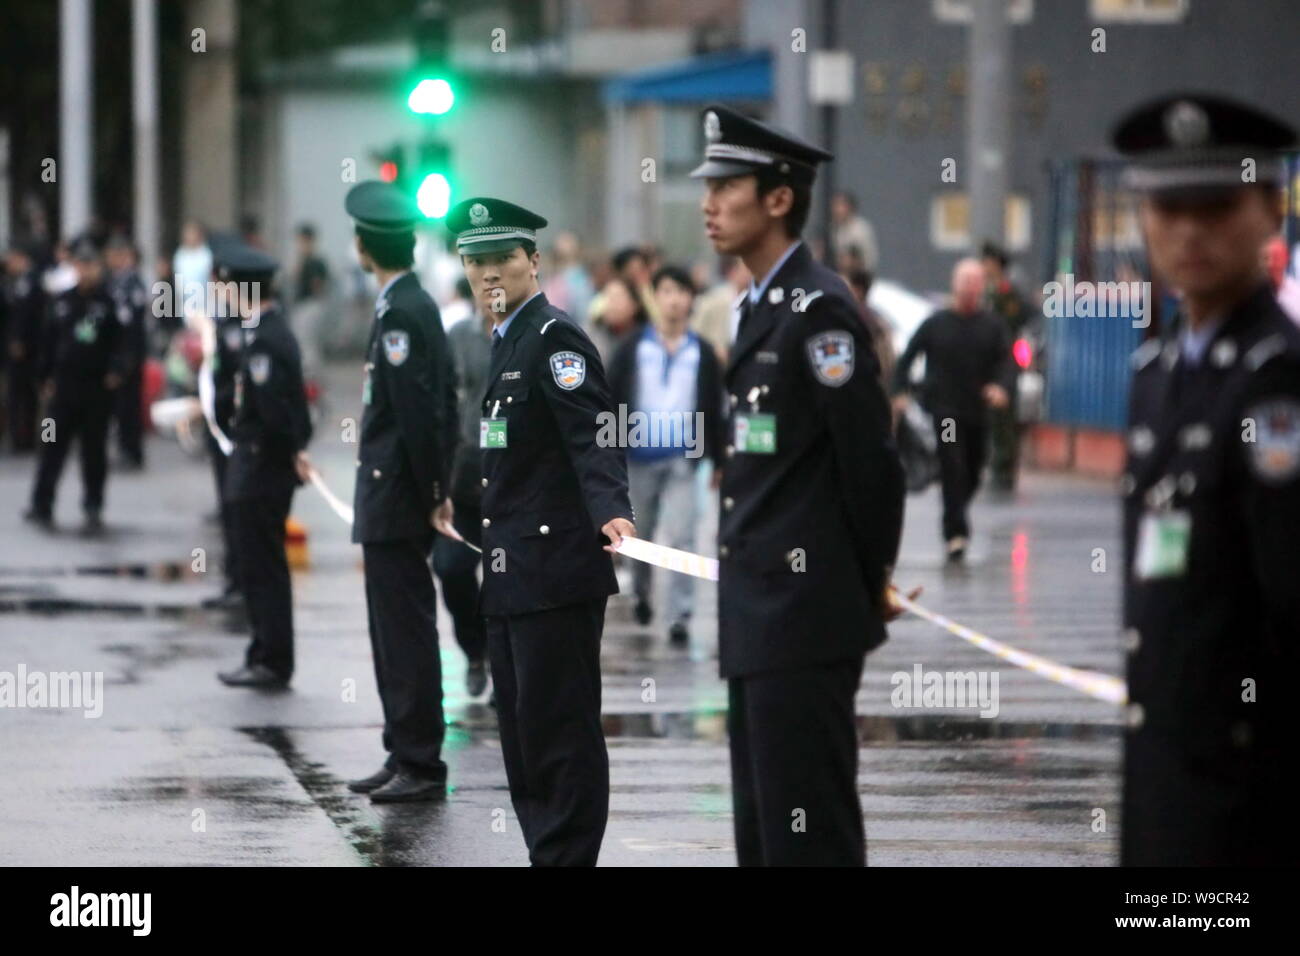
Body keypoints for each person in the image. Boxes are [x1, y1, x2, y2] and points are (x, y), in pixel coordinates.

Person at [692, 104, 905, 866]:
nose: (708, 204)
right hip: (760, 615)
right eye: (706, 186)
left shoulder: (818, 311)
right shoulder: (763, 307)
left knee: (806, 832)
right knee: (765, 832)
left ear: (779, 198)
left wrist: (868, 577)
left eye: (727, 185)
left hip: (803, 617)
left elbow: (871, 461)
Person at [1112, 94, 1300, 866]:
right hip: (1165, 762)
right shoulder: (1157, 370)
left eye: (1217, 207)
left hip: (1246, 782)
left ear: (1271, 211)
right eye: (1168, 207)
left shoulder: (1275, 379)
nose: (1189, 230)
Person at [445, 195, 636, 866]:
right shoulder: (503, 342)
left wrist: (612, 507)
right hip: (510, 574)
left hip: (555, 573)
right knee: (522, 735)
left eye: (502, 259)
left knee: (561, 733)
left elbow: (593, 433)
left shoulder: (553, 338)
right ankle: (546, 852)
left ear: (533, 261)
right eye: (475, 263)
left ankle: (567, 856)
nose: (490, 275)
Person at [306, 180, 459, 802]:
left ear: (366, 244)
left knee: (405, 631)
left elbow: (420, 413)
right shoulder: (406, 305)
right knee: (390, 630)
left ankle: (420, 761)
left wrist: (430, 490)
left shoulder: (403, 312)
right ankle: (403, 750)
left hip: (397, 494)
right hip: (393, 492)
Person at [607, 264, 722, 643]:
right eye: (667, 292)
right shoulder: (633, 348)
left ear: (691, 299)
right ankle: (642, 593)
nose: (674, 300)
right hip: (637, 455)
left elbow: (713, 406)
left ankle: (680, 615)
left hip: (684, 457)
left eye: (681, 292)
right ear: (655, 298)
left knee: (683, 535)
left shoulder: (702, 352)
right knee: (641, 536)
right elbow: (610, 399)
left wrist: (718, 458)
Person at [215, 243, 312, 689]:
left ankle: (272, 659)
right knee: (259, 565)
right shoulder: (263, 332)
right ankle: (264, 652)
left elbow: (276, 415)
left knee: (263, 566)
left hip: (260, 469)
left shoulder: (266, 339)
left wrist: (289, 452)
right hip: (259, 464)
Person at [891, 259, 1014, 562]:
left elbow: (1007, 363)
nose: (970, 288)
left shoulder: (993, 325)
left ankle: (956, 509)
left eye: (976, 281)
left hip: (976, 410)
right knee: (952, 465)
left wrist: (1001, 388)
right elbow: (907, 357)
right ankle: (955, 533)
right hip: (945, 411)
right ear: (954, 284)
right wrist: (899, 392)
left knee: (973, 468)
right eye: (965, 281)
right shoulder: (937, 323)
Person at [25, 241, 123, 532]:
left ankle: (93, 503)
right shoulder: (62, 301)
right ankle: (42, 502)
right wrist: (43, 377)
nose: (84, 272)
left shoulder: (108, 303)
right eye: (79, 266)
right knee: (50, 444)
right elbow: (48, 341)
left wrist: (117, 371)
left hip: (95, 390)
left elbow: (121, 341)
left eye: (89, 266)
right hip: (63, 390)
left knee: (93, 450)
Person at [437, 294, 492, 697]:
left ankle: (506, 677)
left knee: (506, 580)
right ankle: (475, 651)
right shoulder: (457, 337)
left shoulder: (530, 337)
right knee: (452, 567)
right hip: (462, 479)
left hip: (510, 484)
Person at [980, 240, 1030, 491]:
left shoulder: (1006, 291)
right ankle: (994, 462)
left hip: (1006, 359)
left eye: (987, 262)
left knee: (1005, 416)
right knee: (991, 415)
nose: (984, 266)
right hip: (988, 359)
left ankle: (1005, 467)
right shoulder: (986, 290)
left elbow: (1015, 319)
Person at [104, 236, 149, 469]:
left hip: (129, 352)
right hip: (117, 351)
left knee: (129, 404)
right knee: (120, 405)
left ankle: (132, 451)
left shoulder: (133, 284)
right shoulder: (115, 282)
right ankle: (124, 447)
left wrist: (128, 357)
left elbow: (132, 323)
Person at [3, 240, 46, 452]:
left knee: (25, 394)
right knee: (17, 394)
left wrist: (19, 340)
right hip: (19, 346)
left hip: (29, 349)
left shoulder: (32, 282)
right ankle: (19, 437)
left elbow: (27, 317)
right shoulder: (14, 281)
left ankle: (25, 438)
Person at [691, 255, 749, 364]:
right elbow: (695, 332)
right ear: (733, 271)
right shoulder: (712, 301)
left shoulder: (756, 300)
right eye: (746, 267)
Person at [586, 275, 647, 365]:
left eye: (617, 298)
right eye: (607, 297)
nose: (610, 304)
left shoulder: (646, 338)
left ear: (634, 304)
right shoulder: (592, 336)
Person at [830, 190, 879, 274]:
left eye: (841, 206)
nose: (837, 210)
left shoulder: (860, 229)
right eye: (835, 206)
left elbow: (868, 259)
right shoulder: (832, 229)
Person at [292, 223, 330, 304]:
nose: (301, 245)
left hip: (311, 307)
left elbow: (318, 292)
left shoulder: (317, 264)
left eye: (304, 241)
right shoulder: (300, 261)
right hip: (298, 305)